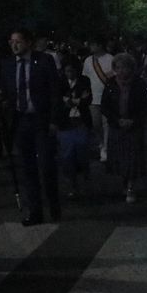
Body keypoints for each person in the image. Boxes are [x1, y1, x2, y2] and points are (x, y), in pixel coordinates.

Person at [0, 29, 62, 226]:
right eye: (12, 41)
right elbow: (6, 90)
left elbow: (54, 91)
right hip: (21, 119)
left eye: (18, 41)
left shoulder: (43, 61)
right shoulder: (7, 64)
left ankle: (53, 202)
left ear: (28, 43)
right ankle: (35, 210)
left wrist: (54, 120)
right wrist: (2, 98)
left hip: (40, 119)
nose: (14, 45)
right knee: (27, 168)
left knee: (46, 165)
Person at [101, 53, 147, 203]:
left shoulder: (139, 84)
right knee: (121, 158)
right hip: (117, 125)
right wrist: (117, 120)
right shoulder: (110, 84)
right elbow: (105, 106)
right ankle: (125, 181)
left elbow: (145, 107)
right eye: (119, 67)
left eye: (125, 67)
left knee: (132, 158)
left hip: (134, 126)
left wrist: (133, 120)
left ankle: (131, 186)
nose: (122, 71)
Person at [55, 60, 92, 199]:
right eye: (67, 71)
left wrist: (69, 100)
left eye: (72, 71)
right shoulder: (60, 83)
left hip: (81, 121)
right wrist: (76, 100)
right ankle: (72, 184)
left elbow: (87, 99)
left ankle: (85, 180)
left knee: (82, 152)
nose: (69, 74)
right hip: (66, 122)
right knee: (67, 155)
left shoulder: (84, 81)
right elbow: (58, 101)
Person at [81, 39, 113, 161]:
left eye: (93, 44)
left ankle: (105, 148)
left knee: (106, 124)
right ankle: (101, 142)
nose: (91, 46)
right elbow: (85, 77)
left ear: (100, 45)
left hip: (107, 98)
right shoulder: (88, 60)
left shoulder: (110, 58)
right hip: (93, 98)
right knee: (96, 124)